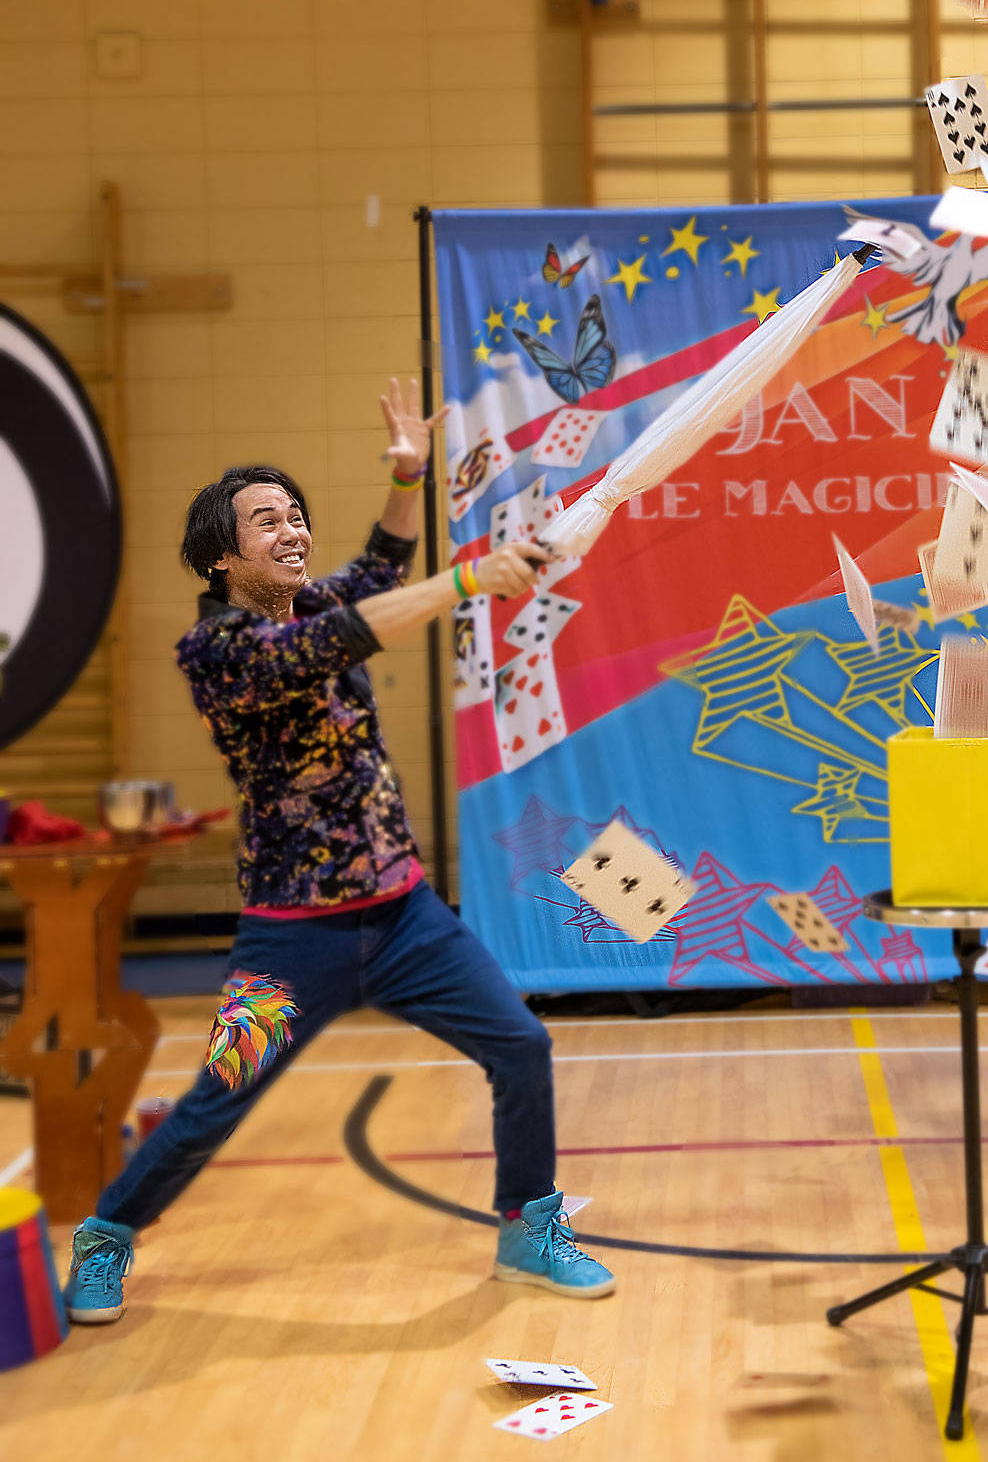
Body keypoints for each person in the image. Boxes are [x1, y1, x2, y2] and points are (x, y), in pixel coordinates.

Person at [63, 378, 614, 1323]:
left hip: (405, 919)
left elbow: (376, 576)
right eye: (266, 521)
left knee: (521, 1046)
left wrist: (408, 475)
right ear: (221, 557)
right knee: (217, 1101)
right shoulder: (220, 651)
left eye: (296, 515)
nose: (292, 531)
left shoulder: (311, 602)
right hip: (294, 943)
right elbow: (342, 635)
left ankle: (528, 1229)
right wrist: (473, 579)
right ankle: (106, 1236)